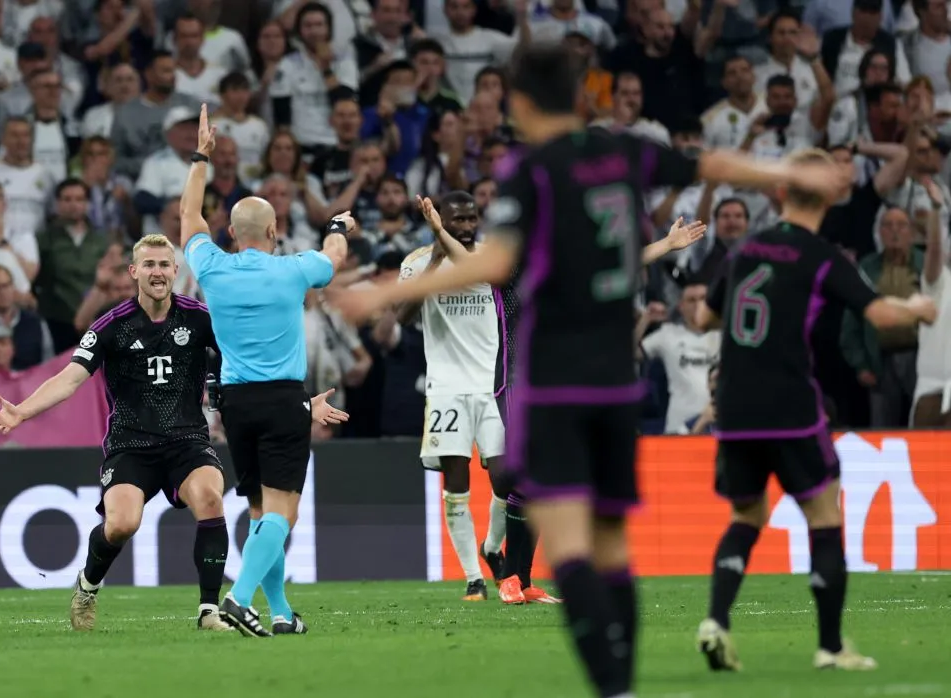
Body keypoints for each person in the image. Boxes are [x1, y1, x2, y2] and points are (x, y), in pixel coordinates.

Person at [333, 43, 852, 698]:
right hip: (615, 382)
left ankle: (611, 686)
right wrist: (786, 172)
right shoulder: (623, 153)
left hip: (554, 382)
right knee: (612, 547)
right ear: (581, 95)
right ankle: (623, 680)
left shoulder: (535, 169)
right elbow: (710, 161)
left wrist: (385, 293)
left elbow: (496, 262)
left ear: (520, 103)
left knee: (567, 540)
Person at [693, 148, 936, 674]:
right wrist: (917, 307)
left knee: (745, 516)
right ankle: (830, 646)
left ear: (782, 190)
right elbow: (879, 313)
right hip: (790, 405)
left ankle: (716, 620)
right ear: (828, 194)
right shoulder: (822, 256)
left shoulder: (746, 249)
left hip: (733, 405)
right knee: (825, 518)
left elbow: (703, 319)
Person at [0, 233, 234, 633]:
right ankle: (87, 585)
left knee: (210, 498)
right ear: (134, 272)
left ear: (175, 271)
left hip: (187, 441)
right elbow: (69, 379)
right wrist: (22, 412)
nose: (157, 272)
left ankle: (208, 611)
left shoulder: (200, 318)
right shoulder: (111, 325)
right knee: (121, 525)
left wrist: (299, 401)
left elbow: (245, 358)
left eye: (164, 265)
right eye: (148, 265)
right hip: (130, 444)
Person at [180, 104, 349, 637]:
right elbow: (335, 256)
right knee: (282, 514)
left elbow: (189, 219)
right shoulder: (294, 269)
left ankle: (280, 614)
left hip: (234, 404)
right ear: (274, 229)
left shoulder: (212, 267)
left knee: (259, 513)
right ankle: (238, 598)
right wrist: (340, 225)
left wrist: (200, 158)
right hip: (282, 401)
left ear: (230, 233)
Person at [496, 213, 707, 606]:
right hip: (517, 378)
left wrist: (666, 245)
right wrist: (441, 234)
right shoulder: (510, 264)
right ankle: (510, 575)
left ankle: (521, 580)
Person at [400, 192, 514, 602]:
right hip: (446, 387)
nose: (467, 227)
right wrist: (433, 260)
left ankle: (491, 547)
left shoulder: (488, 256)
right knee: (457, 485)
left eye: (472, 219)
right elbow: (403, 316)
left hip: (491, 385)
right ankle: (473, 578)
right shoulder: (415, 263)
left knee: (506, 477)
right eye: (457, 220)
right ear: (439, 220)